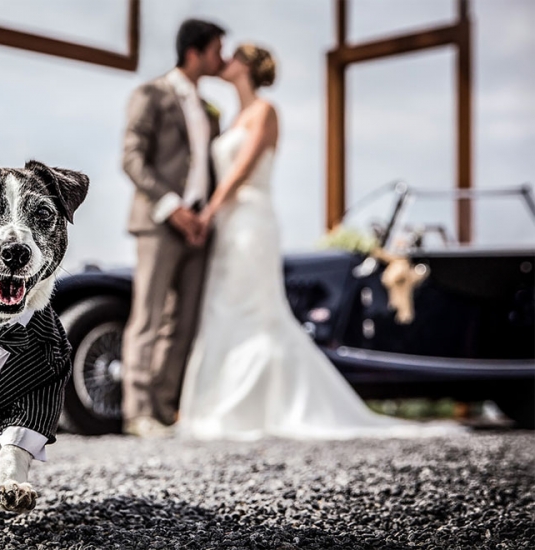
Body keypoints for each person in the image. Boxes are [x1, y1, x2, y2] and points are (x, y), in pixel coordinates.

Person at [178, 44, 462, 440]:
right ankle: (218, 405)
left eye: (233, 56)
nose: (225, 61)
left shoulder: (265, 111)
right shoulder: (230, 119)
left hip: (252, 220)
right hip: (227, 223)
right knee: (223, 306)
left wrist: (207, 212)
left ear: (247, 66)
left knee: (255, 308)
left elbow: (243, 168)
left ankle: (257, 407)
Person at [120, 19, 225, 437]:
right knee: (148, 316)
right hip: (160, 222)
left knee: (183, 322)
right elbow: (131, 158)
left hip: (199, 228)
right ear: (195, 52)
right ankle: (137, 411)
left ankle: (164, 410)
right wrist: (172, 207)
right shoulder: (152, 94)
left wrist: (202, 217)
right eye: (218, 49)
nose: (223, 58)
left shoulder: (210, 109)